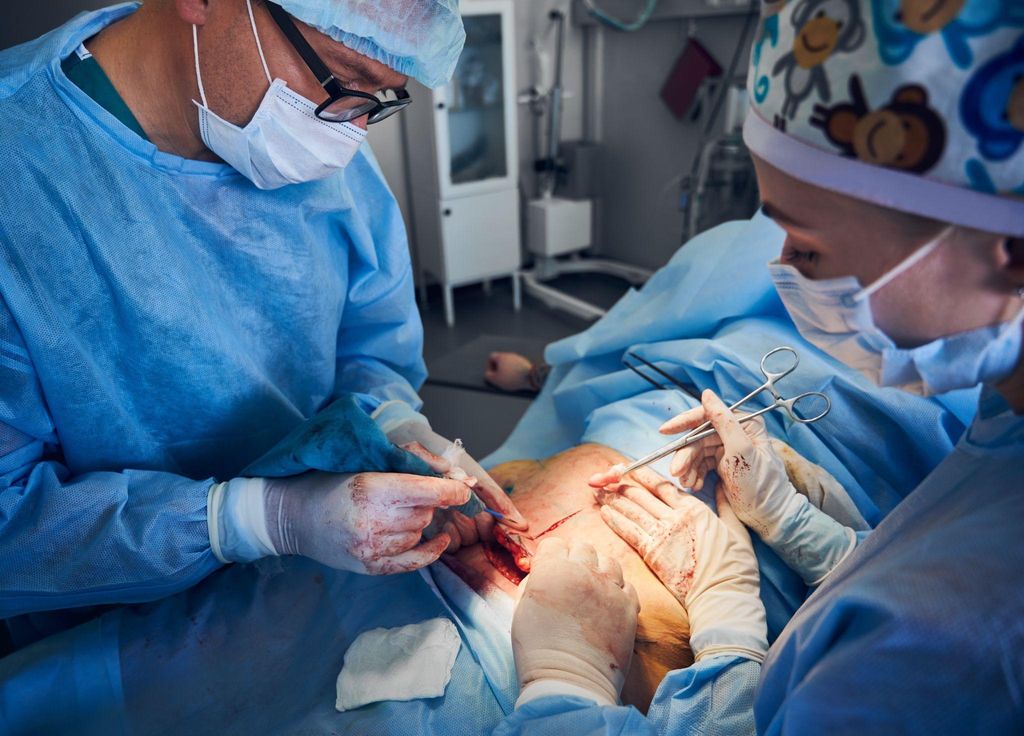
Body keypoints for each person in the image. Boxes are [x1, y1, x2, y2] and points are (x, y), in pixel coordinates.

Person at [496, 1, 1024, 733]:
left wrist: (569, 685)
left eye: (806, 250)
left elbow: (921, 617)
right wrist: (793, 522)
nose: (774, 268)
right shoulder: (1007, 417)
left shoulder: (950, 640)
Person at [0, 0, 528, 656]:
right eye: (342, 78)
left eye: (384, 99)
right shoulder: (18, 177)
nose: (352, 129)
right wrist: (256, 519)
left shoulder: (326, 162)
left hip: (312, 591)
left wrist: (392, 426)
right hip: (103, 643)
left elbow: (372, 345)